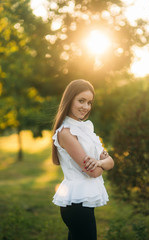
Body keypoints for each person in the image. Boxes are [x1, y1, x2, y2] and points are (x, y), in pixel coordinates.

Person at [52, 79, 114, 240]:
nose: (86, 107)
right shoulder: (66, 132)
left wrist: (99, 162)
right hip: (75, 204)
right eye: (81, 101)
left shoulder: (85, 128)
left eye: (89, 102)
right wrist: (100, 164)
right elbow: (93, 172)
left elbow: (110, 162)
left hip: (83, 201)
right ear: (69, 100)